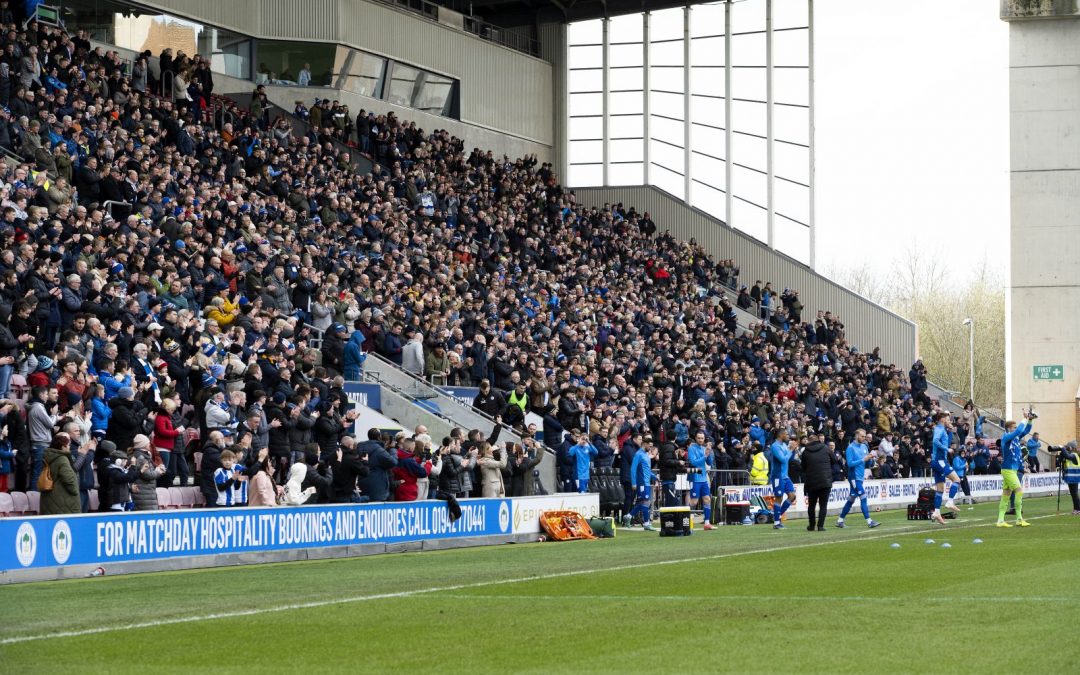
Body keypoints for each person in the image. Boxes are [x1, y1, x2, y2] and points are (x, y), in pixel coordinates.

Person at [996, 410, 1035, 528]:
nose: (1016, 429)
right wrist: (1024, 418)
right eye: (1014, 427)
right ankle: (1019, 518)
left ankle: (1000, 520)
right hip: (1008, 469)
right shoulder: (1006, 438)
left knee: (1006, 494)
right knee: (1019, 491)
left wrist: (1030, 419)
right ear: (1008, 429)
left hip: (1012, 469)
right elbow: (1019, 431)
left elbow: (1026, 430)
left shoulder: (1015, 437)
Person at [836, 429, 881, 529]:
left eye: (865, 436)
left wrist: (870, 460)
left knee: (851, 499)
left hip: (860, 477)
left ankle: (840, 520)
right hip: (854, 477)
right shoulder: (850, 448)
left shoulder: (864, 446)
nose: (864, 438)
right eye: (862, 436)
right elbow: (849, 464)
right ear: (856, 436)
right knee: (863, 497)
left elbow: (866, 464)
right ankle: (869, 521)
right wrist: (863, 459)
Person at [930, 413, 962, 524]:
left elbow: (945, 441)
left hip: (936, 461)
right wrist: (947, 449)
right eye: (948, 419)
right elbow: (935, 441)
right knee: (957, 479)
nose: (949, 421)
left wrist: (950, 432)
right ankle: (950, 501)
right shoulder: (939, 429)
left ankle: (937, 512)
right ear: (942, 419)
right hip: (940, 461)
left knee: (940, 489)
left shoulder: (943, 429)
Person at [40, 433, 81, 515]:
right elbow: (69, 480)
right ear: (63, 447)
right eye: (68, 445)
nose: (69, 448)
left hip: (49, 501)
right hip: (64, 504)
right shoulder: (62, 459)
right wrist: (75, 492)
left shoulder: (48, 457)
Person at [801, 433, 835, 531]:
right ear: (818, 440)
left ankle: (812, 525)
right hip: (825, 480)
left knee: (811, 505)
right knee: (823, 505)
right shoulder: (825, 448)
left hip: (811, 481)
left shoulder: (805, 452)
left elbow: (803, 467)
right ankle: (820, 526)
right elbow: (834, 460)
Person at [687, 431, 715, 530]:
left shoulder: (704, 449)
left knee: (707, 499)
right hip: (695, 477)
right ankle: (688, 522)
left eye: (702, 438)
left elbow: (709, 462)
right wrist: (705, 456)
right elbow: (694, 462)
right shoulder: (691, 448)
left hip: (703, 478)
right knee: (694, 502)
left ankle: (707, 523)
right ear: (695, 438)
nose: (700, 440)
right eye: (698, 438)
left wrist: (709, 452)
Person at [768, 431, 796, 529]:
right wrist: (790, 450)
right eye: (786, 434)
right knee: (779, 497)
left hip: (785, 476)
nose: (788, 436)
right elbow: (783, 459)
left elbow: (789, 459)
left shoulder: (784, 445)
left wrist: (793, 450)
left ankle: (777, 515)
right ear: (781, 435)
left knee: (792, 496)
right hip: (777, 476)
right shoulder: (775, 446)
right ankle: (776, 522)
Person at [628, 442, 657, 531]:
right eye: (650, 446)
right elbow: (633, 469)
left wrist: (654, 476)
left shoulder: (645, 455)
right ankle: (646, 523)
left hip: (646, 483)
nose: (651, 448)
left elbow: (647, 469)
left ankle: (628, 516)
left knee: (643, 503)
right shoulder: (638, 454)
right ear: (644, 444)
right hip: (642, 483)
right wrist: (633, 483)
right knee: (646, 502)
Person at [1060, 441, 1080, 514]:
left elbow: (1068, 456)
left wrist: (1063, 448)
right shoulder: (1069, 454)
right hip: (1070, 477)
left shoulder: (1074, 455)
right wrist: (1062, 452)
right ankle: (1076, 509)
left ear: (1072, 447)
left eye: (1068, 446)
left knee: (1074, 493)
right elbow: (1061, 460)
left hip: (1074, 477)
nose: (1067, 448)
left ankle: (1078, 509)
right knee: (1073, 494)